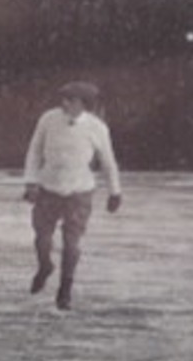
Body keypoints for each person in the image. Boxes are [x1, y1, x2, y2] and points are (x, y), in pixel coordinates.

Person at [22, 80, 123, 311]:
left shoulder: (97, 128)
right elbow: (35, 150)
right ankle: (45, 266)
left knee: (71, 243)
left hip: (79, 192)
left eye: (70, 99)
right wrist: (31, 182)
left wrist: (114, 192)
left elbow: (108, 162)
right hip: (48, 188)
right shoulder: (48, 119)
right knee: (42, 238)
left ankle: (65, 289)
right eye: (63, 99)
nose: (64, 103)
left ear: (83, 104)